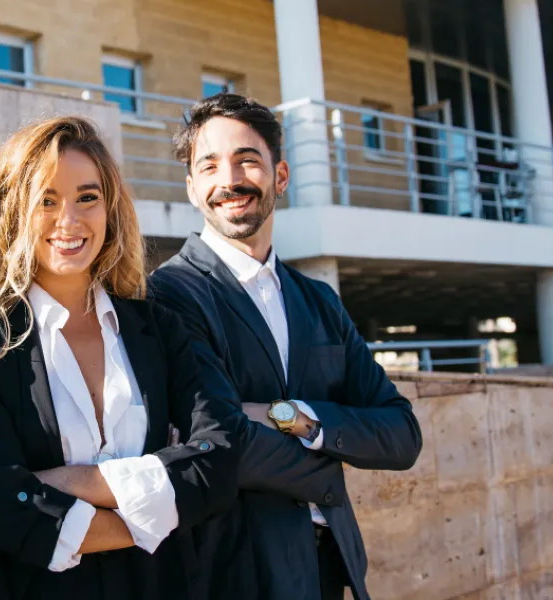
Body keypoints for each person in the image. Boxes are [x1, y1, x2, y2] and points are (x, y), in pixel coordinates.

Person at [0, 116, 249, 600]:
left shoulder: (159, 328)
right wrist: (151, 516)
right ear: (12, 212)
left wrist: (73, 481)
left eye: (87, 197)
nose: (70, 221)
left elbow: (220, 459)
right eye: (46, 201)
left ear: (110, 208)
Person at [150, 93, 424, 600]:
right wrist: (332, 466)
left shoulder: (319, 300)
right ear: (191, 188)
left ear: (280, 176)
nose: (229, 180)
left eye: (247, 161)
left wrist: (294, 418)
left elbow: (403, 434)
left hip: (329, 569)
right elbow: (219, 447)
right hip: (235, 574)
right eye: (209, 166)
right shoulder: (170, 294)